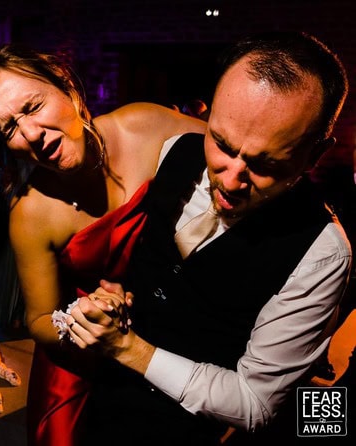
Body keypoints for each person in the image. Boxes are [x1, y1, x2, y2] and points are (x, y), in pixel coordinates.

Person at [64, 31, 351, 445]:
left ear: (315, 155)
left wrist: (129, 349)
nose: (231, 180)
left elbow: (255, 403)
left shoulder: (322, 253)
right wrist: (116, 292)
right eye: (222, 143)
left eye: (266, 164)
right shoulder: (171, 151)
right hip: (99, 408)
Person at [0, 43, 206, 445]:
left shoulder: (145, 126)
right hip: (84, 362)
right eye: (9, 129)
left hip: (172, 335)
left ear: (67, 87)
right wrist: (83, 323)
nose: (31, 134)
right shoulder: (30, 212)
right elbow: (39, 319)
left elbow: (227, 148)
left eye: (33, 107)